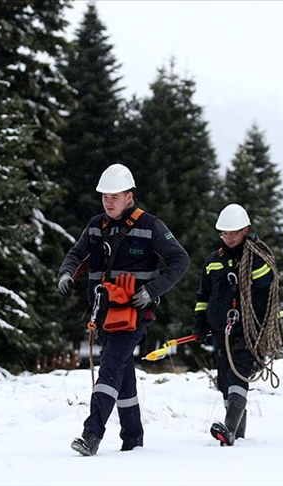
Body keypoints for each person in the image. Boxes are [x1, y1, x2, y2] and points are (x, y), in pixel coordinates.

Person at [57, 163, 190, 456]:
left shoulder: (151, 225)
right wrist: (67, 273)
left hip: (133, 315)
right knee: (122, 372)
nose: (109, 201)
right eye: (105, 196)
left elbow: (180, 260)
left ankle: (91, 434)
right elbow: (77, 254)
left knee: (109, 370)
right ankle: (133, 438)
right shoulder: (95, 225)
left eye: (115, 196)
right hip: (101, 314)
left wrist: (151, 291)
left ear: (129, 196)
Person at [192, 203, 276, 446]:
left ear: (246, 230)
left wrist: (259, 327)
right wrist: (200, 322)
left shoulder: (257, 260)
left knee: (239, 375)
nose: (228, 238)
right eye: (224, 233)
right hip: (220, 330)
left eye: (233, 233)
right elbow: (203, 296)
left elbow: (268, 291)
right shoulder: (213, 261)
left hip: (247, 332)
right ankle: (237, 434)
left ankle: (228, 430)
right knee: (225, 380)